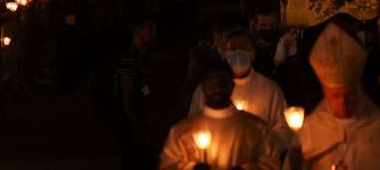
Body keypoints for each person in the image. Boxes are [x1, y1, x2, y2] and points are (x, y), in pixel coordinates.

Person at [285, 15, 380, 169]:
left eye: (349, 94)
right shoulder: (310, 129)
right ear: (325, 92)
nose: (343, 101)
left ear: (358, 91)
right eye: (335, 95)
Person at [160, 59, 280, 170]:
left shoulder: (257, 128)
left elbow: (270, 164)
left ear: (232, 85)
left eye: (222, 80)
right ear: (202, 87)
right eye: (211, 80)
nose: (217, 86)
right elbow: (169, 165)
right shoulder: (181, 132)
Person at [189, 29, 292, 152]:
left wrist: (259, 142)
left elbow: (284, 132)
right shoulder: (207, 88)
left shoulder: (270, 89)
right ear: (224, 53)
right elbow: (192, 125)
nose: (238, 52)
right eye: (233, 48)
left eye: (243, 48)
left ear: (253, 53)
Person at [112, 18, 157, 170]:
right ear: (138, 32)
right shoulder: (129, 58)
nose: (154, 34)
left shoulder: (139, 56)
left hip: (137, 116)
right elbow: (127, 94)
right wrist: (134, 121)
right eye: (150, 30)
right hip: (130, 119)